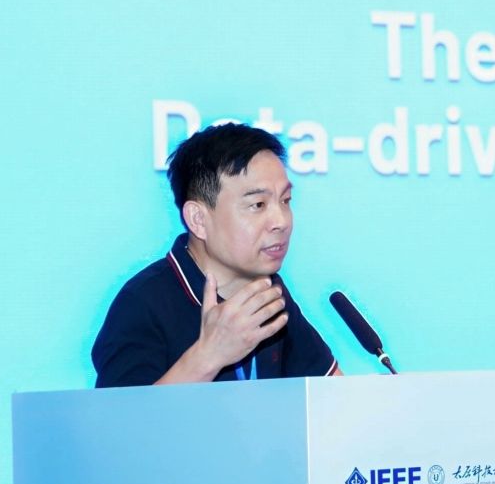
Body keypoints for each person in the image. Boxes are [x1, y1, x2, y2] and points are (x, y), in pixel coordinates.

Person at [92, 122, 339, 388]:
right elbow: (122, 415)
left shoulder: (268, 291)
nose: (281, 221)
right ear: (198, 219)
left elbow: (334, 394)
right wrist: (209, 356)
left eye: (285, 201)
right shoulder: (143, 303)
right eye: (258, 204)